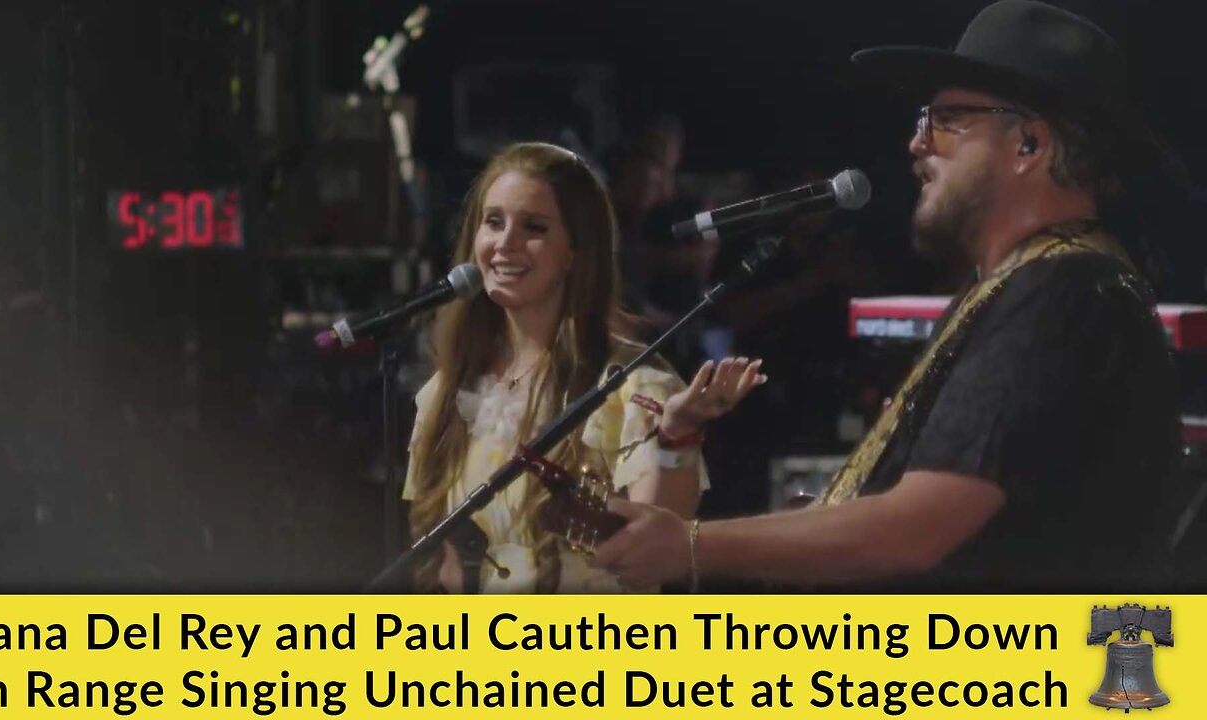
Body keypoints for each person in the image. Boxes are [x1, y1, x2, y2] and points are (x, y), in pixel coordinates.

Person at [595, 0, 1181, 591]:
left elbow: (920, 526)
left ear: (1029, 144)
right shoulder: (1025, 283)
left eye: (946, 119)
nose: (915, 143)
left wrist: (692, 545)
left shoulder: (1064, 290)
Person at [403, 142, 764, 593]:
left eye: (533, 227)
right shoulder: (445, 391)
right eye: (492, 222)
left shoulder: (631, 383)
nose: (505, 243)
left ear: (576, 250)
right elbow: (437, 564)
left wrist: (679, 434)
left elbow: (654, 547)